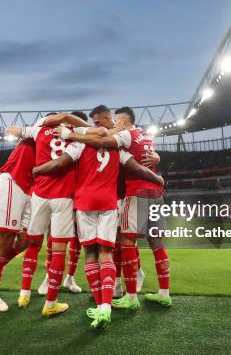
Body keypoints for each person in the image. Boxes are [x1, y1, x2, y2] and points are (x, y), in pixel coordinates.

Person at [33, 132, 164, 328]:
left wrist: (36, 169)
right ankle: (106, 306)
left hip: (85, 202)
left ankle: (99, 301)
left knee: (91, 254)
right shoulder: (117, 148)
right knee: (108, 254)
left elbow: (59, 163)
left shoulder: (79, 145)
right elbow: (137, 168)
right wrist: (157, 178)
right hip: (109, 203)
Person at [60, 106, 171, 309]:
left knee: (124, 242)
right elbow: (144, 153)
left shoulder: (123, 135)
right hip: (147, 193)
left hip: (127, 194)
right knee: (153, 244)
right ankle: (147, 290)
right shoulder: (143, 135)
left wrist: (70, 134)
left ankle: (130, 292)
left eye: (114, 120)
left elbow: (102, 141)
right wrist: (158, 170)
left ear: (117, 120)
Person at [4, 111, 90, 316]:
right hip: (63, 198)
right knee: (59, 249)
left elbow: (13, 130)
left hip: (39, 195)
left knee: (34, 243)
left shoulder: (38, 130)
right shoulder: (76, 139)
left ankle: (24, 293)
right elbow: (63, 162)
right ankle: (51, 304)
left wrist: (16, 130)